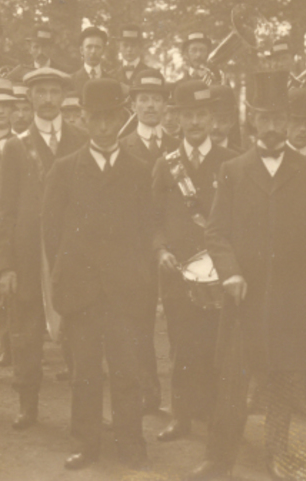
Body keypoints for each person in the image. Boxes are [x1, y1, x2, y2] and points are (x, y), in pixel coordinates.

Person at [187, 70, 306, 481]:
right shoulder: (233, 169)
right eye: (264, 117)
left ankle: (277, 455)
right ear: (251, 119)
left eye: (279, 118)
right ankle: (219, 460)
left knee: (284, 379)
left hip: (291, 296)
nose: (271, 126)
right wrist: (230, 273)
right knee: (233, 380)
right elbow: (215, 232)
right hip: (245, 297)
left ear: (289, 121)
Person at [42, 78, 153, 471]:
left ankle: (131, 443)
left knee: (127, 373)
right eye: (96, 119)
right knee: (84, 374)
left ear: (122, 119)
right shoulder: (64, 170)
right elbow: (52, 233)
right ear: (84, 119)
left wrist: (138, 280)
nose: (104, 127)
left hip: (124, 293)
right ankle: (85, 444)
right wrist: (70, 278)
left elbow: (146, 232)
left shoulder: (140, 171)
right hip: (82, 293)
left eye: (110, 118)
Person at [0, 67, 87, 430]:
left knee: (79, 330)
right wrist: (5, 265)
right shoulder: (16, 147)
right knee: (26, 329)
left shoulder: (81, 140)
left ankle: (84, 407)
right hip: (28, 254)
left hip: (72, 252)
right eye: (41, 92)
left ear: (63, 96)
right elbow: (5, 210)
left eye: (54, 92)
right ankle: (27, 403)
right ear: (29, 97)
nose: (48, 99)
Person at [153, 80, 238, 443]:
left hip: (221, 272)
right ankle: (181, 415)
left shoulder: (231, 161)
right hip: (178, 272)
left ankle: (217, 415)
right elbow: (153, 219)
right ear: (177, 119)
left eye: (201, 114)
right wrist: (161, 251)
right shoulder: (165, 165)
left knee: (219, 346)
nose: (195, 122)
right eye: (187, 115)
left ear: (212, 117)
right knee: (182, 345)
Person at [118, 68, 175, 413]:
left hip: (173, 249)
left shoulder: (177, 145)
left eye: (156, 99)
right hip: (136, 250)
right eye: (144, 99)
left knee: (180, 325)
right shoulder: (122, 146)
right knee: (139, 323)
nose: (151, 106)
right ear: (134, 105)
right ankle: (147, 393)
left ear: (165, 105)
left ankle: (184, 401)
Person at [69, 26, 113, 96]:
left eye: (97, 47)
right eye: (89, 47)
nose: (93, 51)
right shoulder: (71, 81)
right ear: (81, 50)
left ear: (103, 50)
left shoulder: (112, 82)